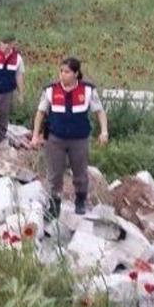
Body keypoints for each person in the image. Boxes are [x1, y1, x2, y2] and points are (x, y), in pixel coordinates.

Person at [30, 57, 109, 216]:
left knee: (80, 172)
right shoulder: (50, 90)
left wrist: (104, 131)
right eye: (61, 71)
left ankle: (80, 200)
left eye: (66, 72)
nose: (62, 75)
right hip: (55, 139)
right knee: (54, 174)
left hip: (79, 139)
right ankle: (54, 205)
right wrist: (35, 135)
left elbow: (100, 111)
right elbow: (40, 113)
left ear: (76, 73)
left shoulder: (88, 90)